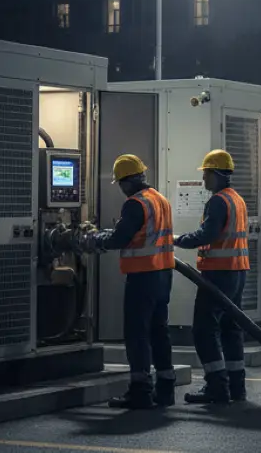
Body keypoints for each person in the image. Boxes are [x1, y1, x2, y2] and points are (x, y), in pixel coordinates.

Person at [91, 154, 177, 409]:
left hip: (143, 275)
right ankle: (165, 388)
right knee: (159, 331)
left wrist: (97, 240)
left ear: (127, 181)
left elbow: (121, 238)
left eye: (120, 183)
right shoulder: (160, 199)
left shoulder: (135, 203)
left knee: (137, 333)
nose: (121, 188)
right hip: (164, 274)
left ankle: (140, 390)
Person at [173, 149, 250, 405]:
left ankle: (217, 385)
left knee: (204, 329)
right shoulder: (237, 199)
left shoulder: (218, 201)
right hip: (238, 271)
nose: (204, 180)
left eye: (206, 174)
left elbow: (206, 235)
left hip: (219, 273)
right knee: (231, 327)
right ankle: (236, 386)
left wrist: (176, 240)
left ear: (216, 175)